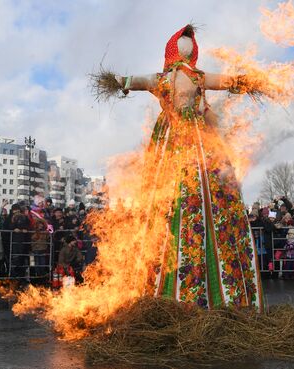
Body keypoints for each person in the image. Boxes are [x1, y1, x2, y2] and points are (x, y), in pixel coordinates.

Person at [112, 24, 262, 308]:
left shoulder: (173, 78)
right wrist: (244, 82)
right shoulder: (186, 78)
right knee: (194, 199)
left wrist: (122, 81)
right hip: (192, 139)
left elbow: (138, 81)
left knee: (189, 199)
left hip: (178, 138)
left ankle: (181, 291)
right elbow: (226, 81)